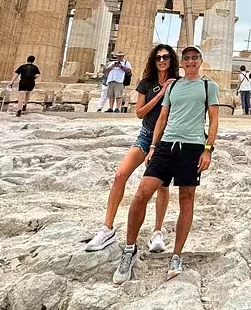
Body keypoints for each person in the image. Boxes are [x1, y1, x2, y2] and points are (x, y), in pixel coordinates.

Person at [114, 45, 219, 284]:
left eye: (195, 58)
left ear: (200, 61)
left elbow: (214, 119)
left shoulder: (209, 86)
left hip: (192, 147)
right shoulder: (173, 86)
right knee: (142, 193)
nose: (191, 61)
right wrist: (152, 146)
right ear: (181, 63)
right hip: (165, 145)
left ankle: (176, 255)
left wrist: (208, 150)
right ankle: (129, 249)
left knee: (186, 200)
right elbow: (162, 117)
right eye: (187, 58)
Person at [86, 44, 178, 253]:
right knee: (120, 175)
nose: (162, 61)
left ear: (171, 59)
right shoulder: (146, 83)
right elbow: (139, 112)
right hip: (146, 136)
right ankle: (107, 228)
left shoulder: (179, 83)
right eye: (158, 58)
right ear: (153, 61)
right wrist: (162, 93)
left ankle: (157, 232)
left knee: (162, 186)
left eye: (165, 57)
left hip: (166, 139)